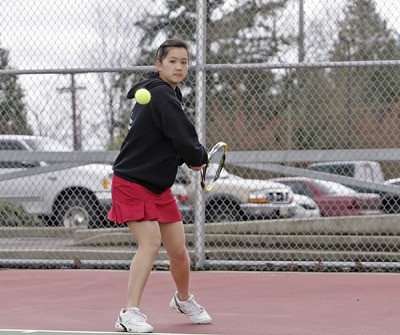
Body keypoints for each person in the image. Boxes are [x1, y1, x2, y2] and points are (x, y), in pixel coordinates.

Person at [107, 39, 212, 333]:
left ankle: (182, 300)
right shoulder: (163, 95)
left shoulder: (165, 95)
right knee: (150, 243)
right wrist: (196, 156)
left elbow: (166, 139)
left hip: (157, 187)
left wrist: (187, 157)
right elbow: (183, 135)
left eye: (184, 62)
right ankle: (128, 313)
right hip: (131, 182)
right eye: (172, 61)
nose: (179, 67)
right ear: (159, 65)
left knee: (178, 251)